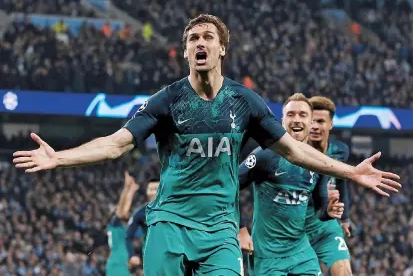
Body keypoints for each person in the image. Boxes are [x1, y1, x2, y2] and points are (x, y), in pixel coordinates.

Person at [13, 14, 401, 276]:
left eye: (208, 37)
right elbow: (116, 145)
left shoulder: (245, 102)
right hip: (169, 223)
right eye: (193, 39)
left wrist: (351, 172)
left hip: (220, 230)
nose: (200, 43)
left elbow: (294, 150)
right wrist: (58, 158)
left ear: (221, 49)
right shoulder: (167, 100)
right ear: (186, 52)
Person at [237, 94, 345, 276]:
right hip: (267, 256)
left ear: (311, 123)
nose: (296, 120)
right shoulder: (264, 155)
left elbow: (320, 209)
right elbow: (230, 187)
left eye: (303, 115)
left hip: (301, 252)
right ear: (282, 121)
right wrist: (240, 229)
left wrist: (328, 211)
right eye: (291, 114)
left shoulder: (318, 162)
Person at [306, 96, 353, 275]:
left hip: (326, 228)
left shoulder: (340, 151)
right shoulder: (291, 153)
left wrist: (345, 218)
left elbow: (342, 183)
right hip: (296, 230)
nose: (315, 126)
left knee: (344, 272)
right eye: (311, 121)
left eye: (320, 121)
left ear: (330, 124)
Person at [106, 171, 140, 276]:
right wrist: (128, 189)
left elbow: (122, 211)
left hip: (120, 263)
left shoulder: (120, 228)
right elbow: (121, 212)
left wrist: (130, 189)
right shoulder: (114, 226)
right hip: (118, 264)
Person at [126, 178, 160, 269]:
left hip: (173, 254)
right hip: (151, 255)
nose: (153, 192)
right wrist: (132, 255)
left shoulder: (173, 209)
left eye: (156, 189)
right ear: (146, 191)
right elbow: (128, 236)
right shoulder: (140, 212)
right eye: (150, 189)